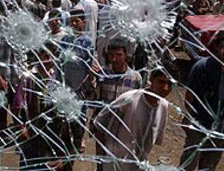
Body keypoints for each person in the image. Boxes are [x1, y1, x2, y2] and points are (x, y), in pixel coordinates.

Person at [179, 33, 224, 171]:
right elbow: (190, 95)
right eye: (223, 47)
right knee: (188, 163)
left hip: (221, 129)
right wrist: (188, 117)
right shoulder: (202, 67)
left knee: (209, 165)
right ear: (216, 48)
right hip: (199, 124)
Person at [93, 69, 172, 171]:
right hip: (115, 165)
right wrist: (101, 161)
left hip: (139, 166)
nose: (165, 88)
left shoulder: (163, 106)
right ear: (151, 80)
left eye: (170, 84)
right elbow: (99, 125)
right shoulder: (129, 99)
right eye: (161, 82)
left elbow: (152, 141)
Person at [60, 9, 94, 152]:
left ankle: (79, 139)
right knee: (66, 113)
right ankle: (67, 139)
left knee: (80, 114)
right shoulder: (65, 40)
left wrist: (89, 84)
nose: (74, 24)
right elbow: (60, 62)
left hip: (80, 86)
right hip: (66, 83)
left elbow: (90, 65)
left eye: (77, 21)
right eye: (72, 21)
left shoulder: (87, 42)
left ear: (83, 23)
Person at [0, 24, 19, 132]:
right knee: (1, 108)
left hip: (15, 79)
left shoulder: (17, 37)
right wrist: (0, 79)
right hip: (0, 81)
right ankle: (2, 130)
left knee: (17, 105)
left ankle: (19, 129)